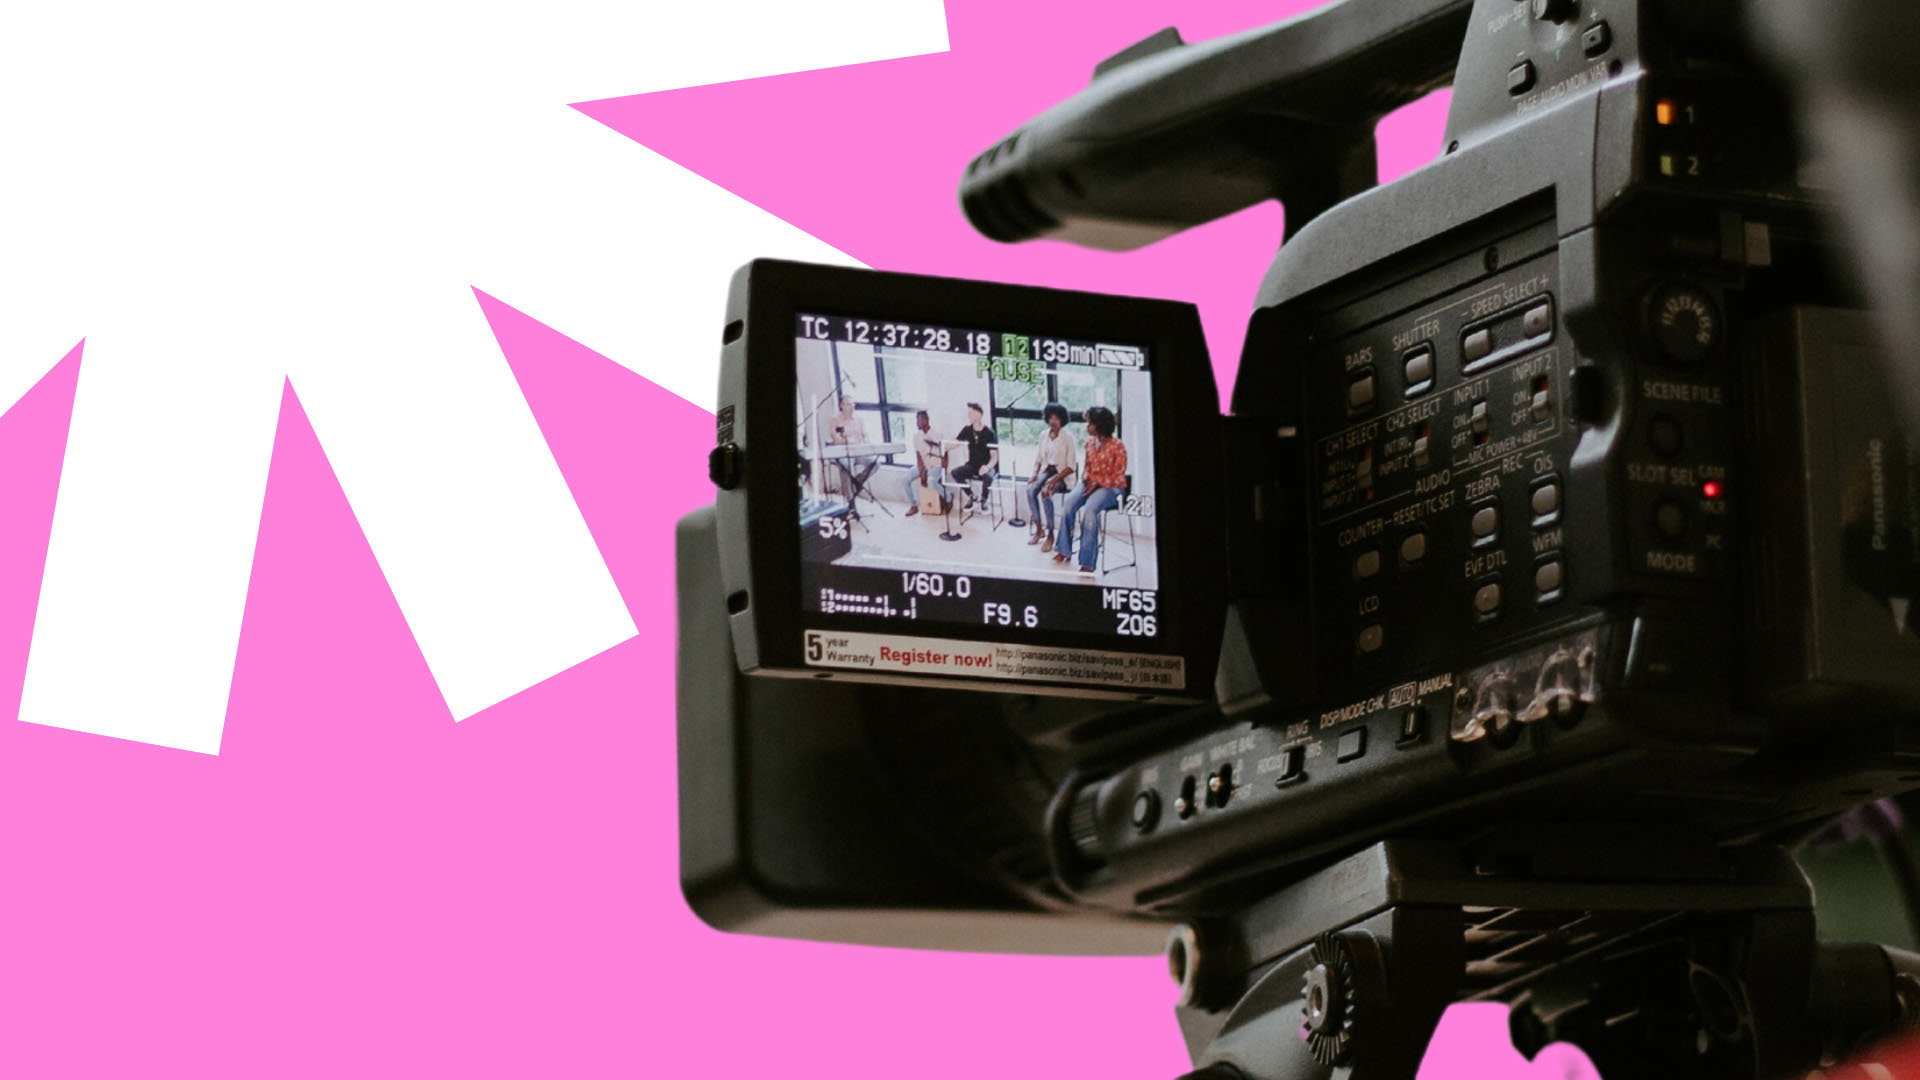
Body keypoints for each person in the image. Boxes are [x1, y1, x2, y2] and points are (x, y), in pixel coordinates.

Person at [1053, 406, 1127, 574]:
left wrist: (1098, 483)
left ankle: (1087, 562)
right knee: (1069, 504)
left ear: (1100, 425)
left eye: (1090, 423)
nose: (1087, 427)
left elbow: (1119, 476)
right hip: (1091, 483)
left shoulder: (1118, 446)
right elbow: (1087, 468)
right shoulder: (1089, 443)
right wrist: (1087, 480)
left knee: (1090, 510)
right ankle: (1063, 549)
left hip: (1113, 488)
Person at [1025, 402, 1077, 548]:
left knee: (1046, 492)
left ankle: (1050, 534)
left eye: (1057, 418)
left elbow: (1071, 467)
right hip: (1047, 470)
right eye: (1051, 418)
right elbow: (1038, 459)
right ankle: (1039, 529)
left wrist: (1053, 481)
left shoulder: (1068, 437)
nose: (1053, 421)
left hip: (1062, 474)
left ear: (1062, 420)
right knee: (1030, 490)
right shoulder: (1044, 435)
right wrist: (1034, 474)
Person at [949, 402, 998, 507]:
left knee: (988, 477)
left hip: (986, 465)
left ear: (979, 414)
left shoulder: (989, 433)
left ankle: (984, 500)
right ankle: (971, 496)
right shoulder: (967, 430)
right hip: (972, 465)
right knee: (955, 472)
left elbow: (994, 457)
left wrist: (987, 467)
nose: (968, 416)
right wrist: (943, 446)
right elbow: (955, 443)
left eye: (971, 413)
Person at [827, 395, 874, 504]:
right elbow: (836, 439)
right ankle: (851, 503)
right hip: (843, 453)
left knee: (875, 463)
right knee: (845, 466)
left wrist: (867, 442)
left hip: (858, 451)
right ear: (841, 406)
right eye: (848, 404)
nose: (852, 407)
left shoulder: (859, 419)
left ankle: (857, 482)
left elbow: (865, 435)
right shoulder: (835, 420)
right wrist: (849, 440)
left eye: (852, 404)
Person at [899, 410, 945, 516]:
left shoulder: (937, 435)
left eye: (919, 420)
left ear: (926, 420)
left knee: (931, 481)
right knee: (904, 479)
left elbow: (944, 453)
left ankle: (947, 497)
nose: (917, 423)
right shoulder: (916, 436)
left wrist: (944, 465)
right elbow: (918, 456)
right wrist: (921, 471)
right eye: (916, 420)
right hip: (923, 465)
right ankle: (913, 505)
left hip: (935, 466)